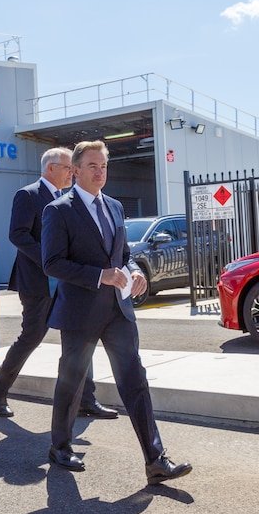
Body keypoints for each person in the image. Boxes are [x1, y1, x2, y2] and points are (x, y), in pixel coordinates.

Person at [42, 140, 192, 485]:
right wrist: (100, 275)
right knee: (72, 381)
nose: (100, 172)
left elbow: (122, 253)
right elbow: (52, 263)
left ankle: (155, 460)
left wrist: (134, 271)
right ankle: (60, 446)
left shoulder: (114, 206)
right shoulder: (58, 210)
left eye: (104, 166)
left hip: (118, 311)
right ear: (76, 171)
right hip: (80, 312)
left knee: (135, 381)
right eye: (92, 166)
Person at [0, 147, 118, 420]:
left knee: (82, 336)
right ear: (51, 168)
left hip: (71, 280)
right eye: (69, 168)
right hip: (38, 280)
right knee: (32, 336)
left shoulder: (71, 198)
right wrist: (49, 259)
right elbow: (18, 235)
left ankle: (85, 399)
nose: (72, 173)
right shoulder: (28, 195)